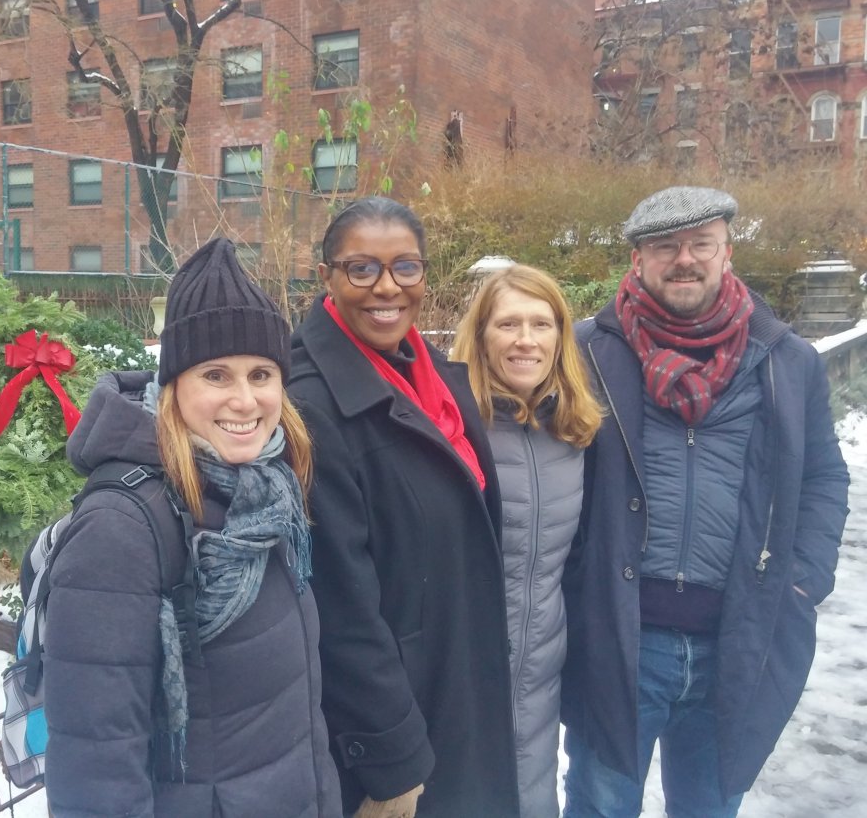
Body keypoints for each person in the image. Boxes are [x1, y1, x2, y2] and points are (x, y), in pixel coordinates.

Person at [561, 187, 850, 817]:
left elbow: (825, 476)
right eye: (665, 246)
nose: (684, 259)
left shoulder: (785, 360)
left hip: (739, 639)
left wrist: (803, 578)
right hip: (619, 636)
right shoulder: (588, 351)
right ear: (638, 259)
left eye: (701, 244)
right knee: (601, 807)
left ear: (727, 252)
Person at [42, 237, 341, 817]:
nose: (245, 399)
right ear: (174, 385)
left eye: (261, 374)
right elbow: (96, 769)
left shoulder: (269, 489)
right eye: (215, 375)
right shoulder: (122, 528)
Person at [288, 197, 519, 817]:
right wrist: (391, 763)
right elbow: (341, 608)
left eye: (405, 267)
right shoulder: (314, 406)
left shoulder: (432, 373)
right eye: (361, 268)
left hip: (455, 681)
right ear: (326, 277)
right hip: (402, 728)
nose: (386, 287)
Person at [450, 265, 603, 818]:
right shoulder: (451, 426)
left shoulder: (574, 430)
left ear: (561, 336)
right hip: (461, 682)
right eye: (508, 323)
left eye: (541, 324)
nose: (525, 340)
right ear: (481, 333)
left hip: (541, 674)